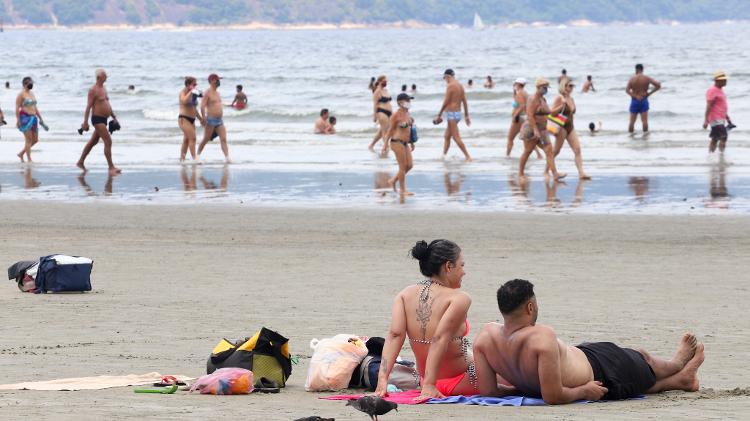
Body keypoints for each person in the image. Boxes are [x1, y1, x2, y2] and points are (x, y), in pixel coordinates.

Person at [473, 279, 705, 404]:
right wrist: (583, 391)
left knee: (634, 373)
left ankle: (681, 380)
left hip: (587, 357)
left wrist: (521, 387)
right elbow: (553, 397)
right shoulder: (541, 336)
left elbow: (488, 393)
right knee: (641, 357)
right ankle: (675, 367)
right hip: (603, 371)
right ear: (530, 307)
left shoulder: (485, 337)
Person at [374, 239, 478, 400]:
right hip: (463, 380)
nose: (464, 272)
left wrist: (382, 380)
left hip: (425, 380)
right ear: (449, 266)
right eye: (462, 265)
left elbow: (395, 335)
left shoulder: (404, 294)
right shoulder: (460, 298)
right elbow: (439, 339)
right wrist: (430, 386)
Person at [518, 79, 565, 181]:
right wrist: (535, 130)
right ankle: (521, 174)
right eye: (544, 88)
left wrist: (562, 106)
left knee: (549, 151)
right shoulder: (532, 99)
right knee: (528, 151)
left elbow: (551, 113)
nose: (546, 90)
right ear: (538, 87)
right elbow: (530, 115)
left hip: (543, 130)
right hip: (531, 129)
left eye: (547, 88)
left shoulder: (543, 100)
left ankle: (555, 174)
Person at [76, 69, 121, 175]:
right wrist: (85, 122)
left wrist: (114, 117)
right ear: (99, 77)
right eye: (105, 76)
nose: (107, 77)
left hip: (105, 119)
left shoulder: (104, 88)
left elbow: (107, 104)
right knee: (108, 141)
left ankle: (80, 161)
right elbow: (88, 107)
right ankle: (111, 167)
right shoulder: (93, 90)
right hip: (97, 119)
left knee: (93, 141)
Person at [546, 78, 590, 179]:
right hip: (561, 128)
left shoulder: (571, 99)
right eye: (569, 86)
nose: (571, 88)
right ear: (563, 86)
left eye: (572, 86)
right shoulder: (559, 98)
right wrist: (562, 106)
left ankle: (581, 173)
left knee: (577, 150)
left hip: (571, 127)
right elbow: (551, 113)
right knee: (556, 151)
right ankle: (546, 171)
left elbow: (572, 112)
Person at [434, 69, 472, 162]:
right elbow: (464, 101)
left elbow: (445, 102)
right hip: (458, 114)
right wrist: (466, 116)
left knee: (455, 137)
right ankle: (443, 156)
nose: (445, 80)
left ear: (448, 76)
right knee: (447, 136)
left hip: (452, 114)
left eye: (445, 78)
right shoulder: (460, 85)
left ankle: (468, 156)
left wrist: (439, 114)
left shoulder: (450, 86)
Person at [385, 93, 416, 196]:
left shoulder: (407, 113)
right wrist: (385, 144)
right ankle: (403, 190)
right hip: (396, 142)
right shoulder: (395, 115)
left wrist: (411, 142)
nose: (409, 102)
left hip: (405, 143)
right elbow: (390, 130)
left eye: (409, 100)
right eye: (407, 101)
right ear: (400, 103)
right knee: (402, 167)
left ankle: (393, 181)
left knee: (410, 165)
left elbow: (408, 129)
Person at [197, 73, 230, 163]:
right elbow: (202, 106)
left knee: (223, 139)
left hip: (219, 121)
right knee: (205, 139)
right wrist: (203, 118)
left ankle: (227, 158)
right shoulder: (207, 93)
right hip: (210, 120)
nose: (219, 82)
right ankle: (197, 156)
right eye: (217, 80)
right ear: (212, 81)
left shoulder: (218, 93)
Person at [507, 78, 541, 159]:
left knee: (510, 138)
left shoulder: (520, 94)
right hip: (525, 118)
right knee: (527, 139)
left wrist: (515, 115)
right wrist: (514, 91)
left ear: (519, 84)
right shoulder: (524, 93)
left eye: (515, 84)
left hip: (519, 119)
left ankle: (507, 156)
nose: (514, 85)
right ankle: (539, 155)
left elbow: (522, 106)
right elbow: (518, 101)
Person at [15, 77, 46, 163]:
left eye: (32, 83)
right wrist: (18, 120)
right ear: (25, 84)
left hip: (34, 118)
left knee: (35, 140)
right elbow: (17, 108)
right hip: (24, 118)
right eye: (30, 83)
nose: (31, 84)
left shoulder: (32, 94)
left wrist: (41, 119)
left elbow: (35, 107)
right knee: (28, 140)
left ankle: (21, 153)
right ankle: (29, 159)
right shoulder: (21, 95)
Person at [626, 64, 661, 133]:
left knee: (632, 122)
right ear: (642, 70)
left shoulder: (632, 79)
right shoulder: (646, 78)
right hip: (643, 99)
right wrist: (649, 93)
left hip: (635, 100)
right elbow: (658, 86)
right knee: (644, 121)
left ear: (636, 69)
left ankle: (630, 136)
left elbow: (627, 90)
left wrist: (635, 96)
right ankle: (645, 137)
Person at [703, 71, 732, 153]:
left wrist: (727, 117)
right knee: (724, 136)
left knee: (715, 138)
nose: (725, 81)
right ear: (717, 81)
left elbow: (721, 106)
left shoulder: (720, 90)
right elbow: (709, 106)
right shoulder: (712, 90)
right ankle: (721, 155)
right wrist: (706, 120)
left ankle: (711, 154)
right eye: (723, 80)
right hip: (715, 118)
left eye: (725, 80)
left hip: (720, 118)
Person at [178, 76, 204, 163]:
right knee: (193, 138)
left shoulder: (194, 93)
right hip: (183, 118)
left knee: (186, 140)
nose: (196, 86)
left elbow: (194, 108)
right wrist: (191, 92)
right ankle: (195, 159)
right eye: (194, 84)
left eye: (196, 84)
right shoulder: (183, 92)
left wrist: (200, 119)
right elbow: (184, 101)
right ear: (188, 85)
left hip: (192, 119)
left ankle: (182, 160)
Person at [368, 75, 392, 153]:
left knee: (381, 131)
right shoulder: (377, 91)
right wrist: (375, 116)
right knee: (385, 131)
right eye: (384, 81)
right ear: (380, 81)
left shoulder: (386, 90)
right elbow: (375, 104)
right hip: (381, 112)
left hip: (389, 113)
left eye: (386, 81)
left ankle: (371, 145)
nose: (386, 82)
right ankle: (386, 148)